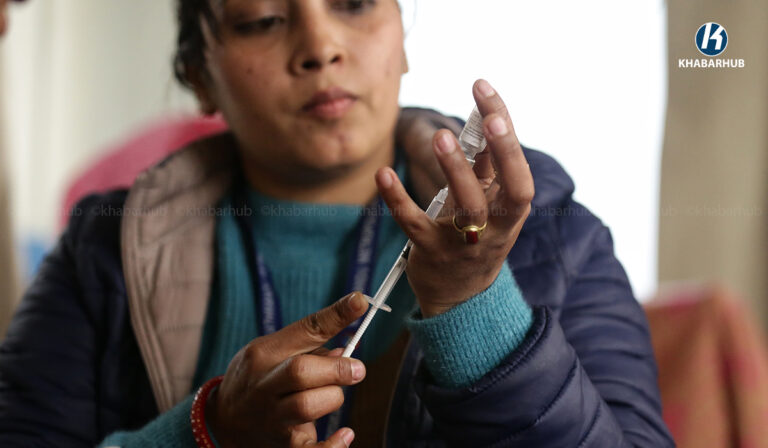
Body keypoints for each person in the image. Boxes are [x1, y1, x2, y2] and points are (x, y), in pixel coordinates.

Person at [0, 1, 674, 447]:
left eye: (353, 3)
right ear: (198, 74)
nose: (320, 46)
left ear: (402, 37)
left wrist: (473, 303)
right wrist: (208, 432)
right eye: (262, 19)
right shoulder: (107, 248)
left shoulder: (552, 233)